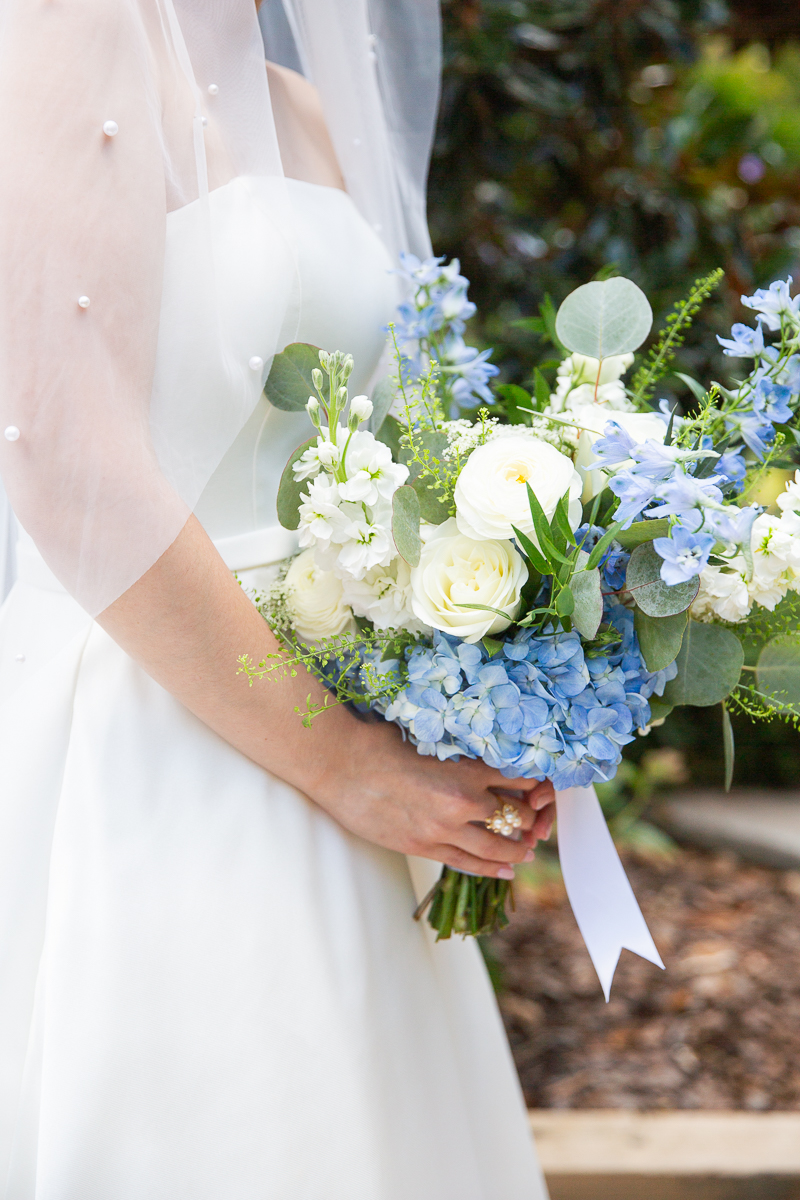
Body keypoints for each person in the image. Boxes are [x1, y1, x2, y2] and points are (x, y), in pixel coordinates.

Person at [0, 2, 554, 1196]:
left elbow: (383, 451)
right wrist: (339, 763)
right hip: (153, 734)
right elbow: (58, 452)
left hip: (348, 755)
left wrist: (499, 686)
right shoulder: (68, 29)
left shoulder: (301, 102)